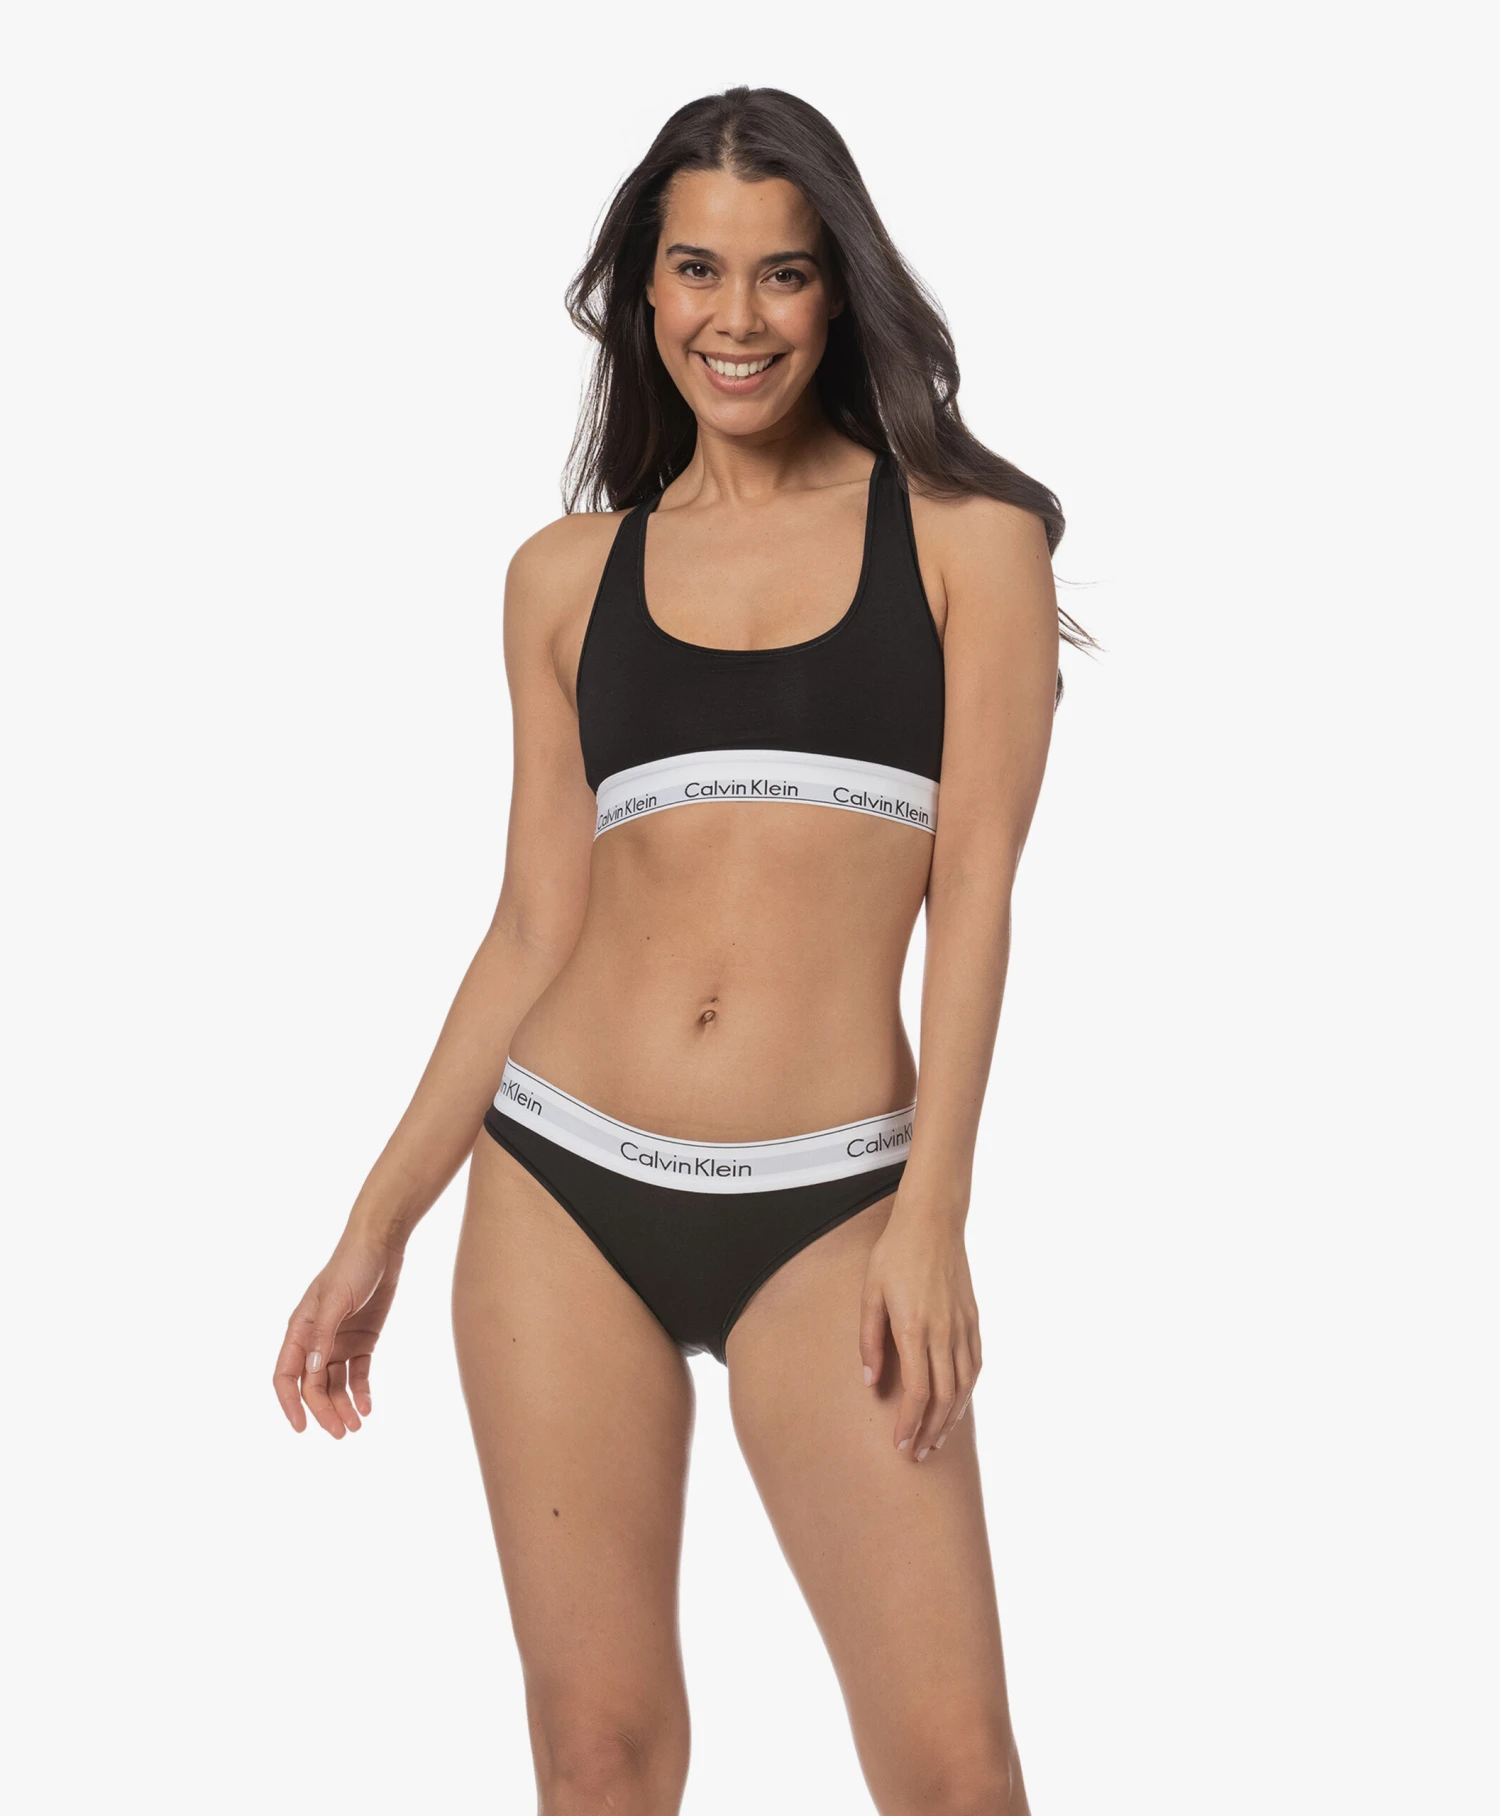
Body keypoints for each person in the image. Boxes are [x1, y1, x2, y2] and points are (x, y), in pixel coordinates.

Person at [273, 84, 1086, 1816]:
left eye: (783, 273)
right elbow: (530, 925)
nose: (739, 319)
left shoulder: (970, 546)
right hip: (561, 1183)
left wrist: (935, 1215)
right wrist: (376, 1223)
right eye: (699, 270)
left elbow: (980, 891)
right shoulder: (565, 578)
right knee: (601, 1760)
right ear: (642, 292)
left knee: (957, 1774)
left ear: (837, 288)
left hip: (834, 1201)